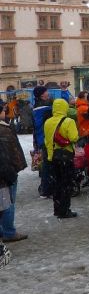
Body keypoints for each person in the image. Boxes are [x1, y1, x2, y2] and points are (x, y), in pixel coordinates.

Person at [44, 98, 79, 218]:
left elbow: (47, 140)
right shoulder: (69, 121)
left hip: (52, 156)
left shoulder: (48, 122)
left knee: (57, 183)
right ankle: (65, 210)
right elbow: (74, 137)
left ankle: (57, 209)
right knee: (66, 184)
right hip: (65, 156)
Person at [0, 103, 28, 242]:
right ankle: (9, 231)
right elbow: (13, 151)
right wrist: (16, 168)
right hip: (5, 172)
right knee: (8, 202)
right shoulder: (4, 130)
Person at [0, 124, 19, 269]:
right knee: (6, 206)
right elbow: (4, 160)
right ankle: (8, 231)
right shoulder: (4, 130)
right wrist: (11, 175)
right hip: (2, 181)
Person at [32, 86, 52, 198]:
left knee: (47, 164)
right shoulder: (43, 107)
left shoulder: (38, 106)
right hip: (45, 138)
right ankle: (46, 189)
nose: (48, 93)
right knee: (48, 165)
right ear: (41, 95)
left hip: (42, 138)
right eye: (46, 91)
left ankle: (46, 188)